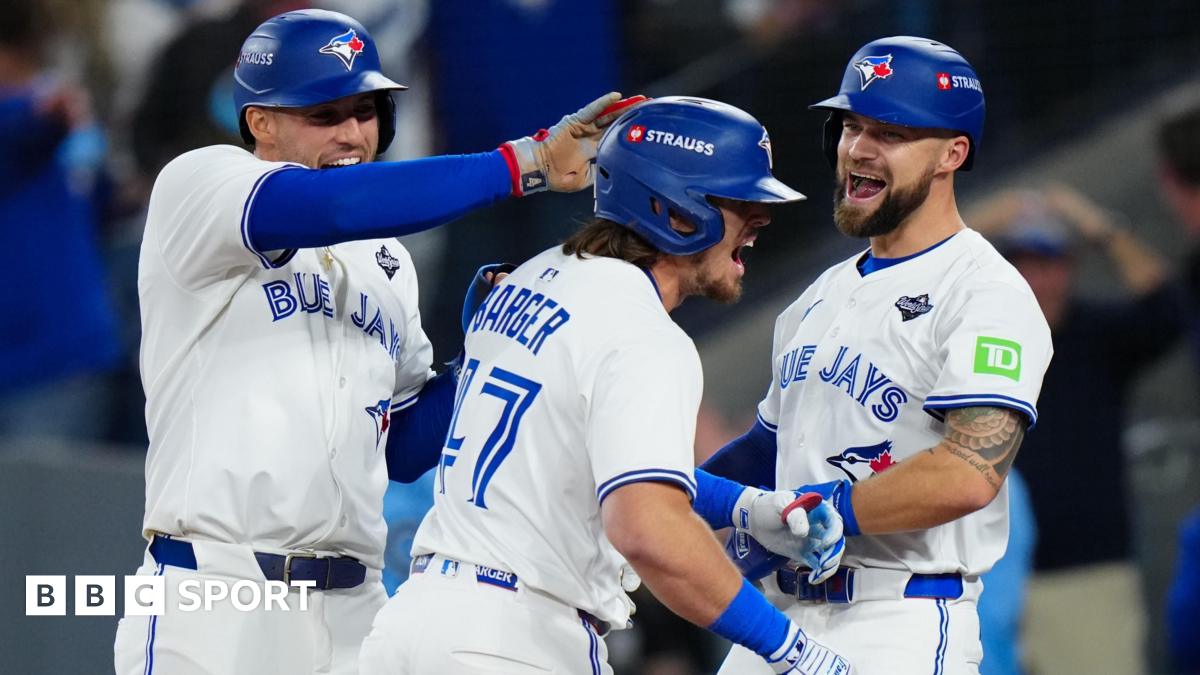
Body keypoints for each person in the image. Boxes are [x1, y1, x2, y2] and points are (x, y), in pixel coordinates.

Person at [112, 8, 639, 674]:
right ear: (261, 121)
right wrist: (524, 163)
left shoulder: (387, 260)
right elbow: (335, 207)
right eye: (324, 113)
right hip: (217, 590)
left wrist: (481, 356)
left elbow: (403, 447)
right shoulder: (202, 184)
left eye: (365, 111)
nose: (353, 133)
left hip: (353, 606)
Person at [359, 97, 851, 675]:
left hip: (412, 624)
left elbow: (595, 464)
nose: (760, 220)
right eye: (741, 202)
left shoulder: (532, 277)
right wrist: (795, 651)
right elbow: (647, 526)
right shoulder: (644, 335)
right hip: (517, 639)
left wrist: (748, 506)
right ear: (678, 211)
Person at [701, 36, 1054, 673]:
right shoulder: (818, 296)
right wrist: (658, 489)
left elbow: (967, 472)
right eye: (852, 125)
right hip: (779, 619)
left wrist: (821, 511)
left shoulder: (984, 292)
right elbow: (764, 450)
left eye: (890, 132)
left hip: (898, 617)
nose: (858, 148)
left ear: (953, 153)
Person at [969, 185, 1183, 675]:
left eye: (1047, 262)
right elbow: (894, 289)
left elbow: (1168, 308)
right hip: (989, 585)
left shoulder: (1096, 335)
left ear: (1068, 268)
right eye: (1021, 263)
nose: (1036, 278)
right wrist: (979, 222)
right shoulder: (977, 342)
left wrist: (1096, 224)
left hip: (1087, 576)